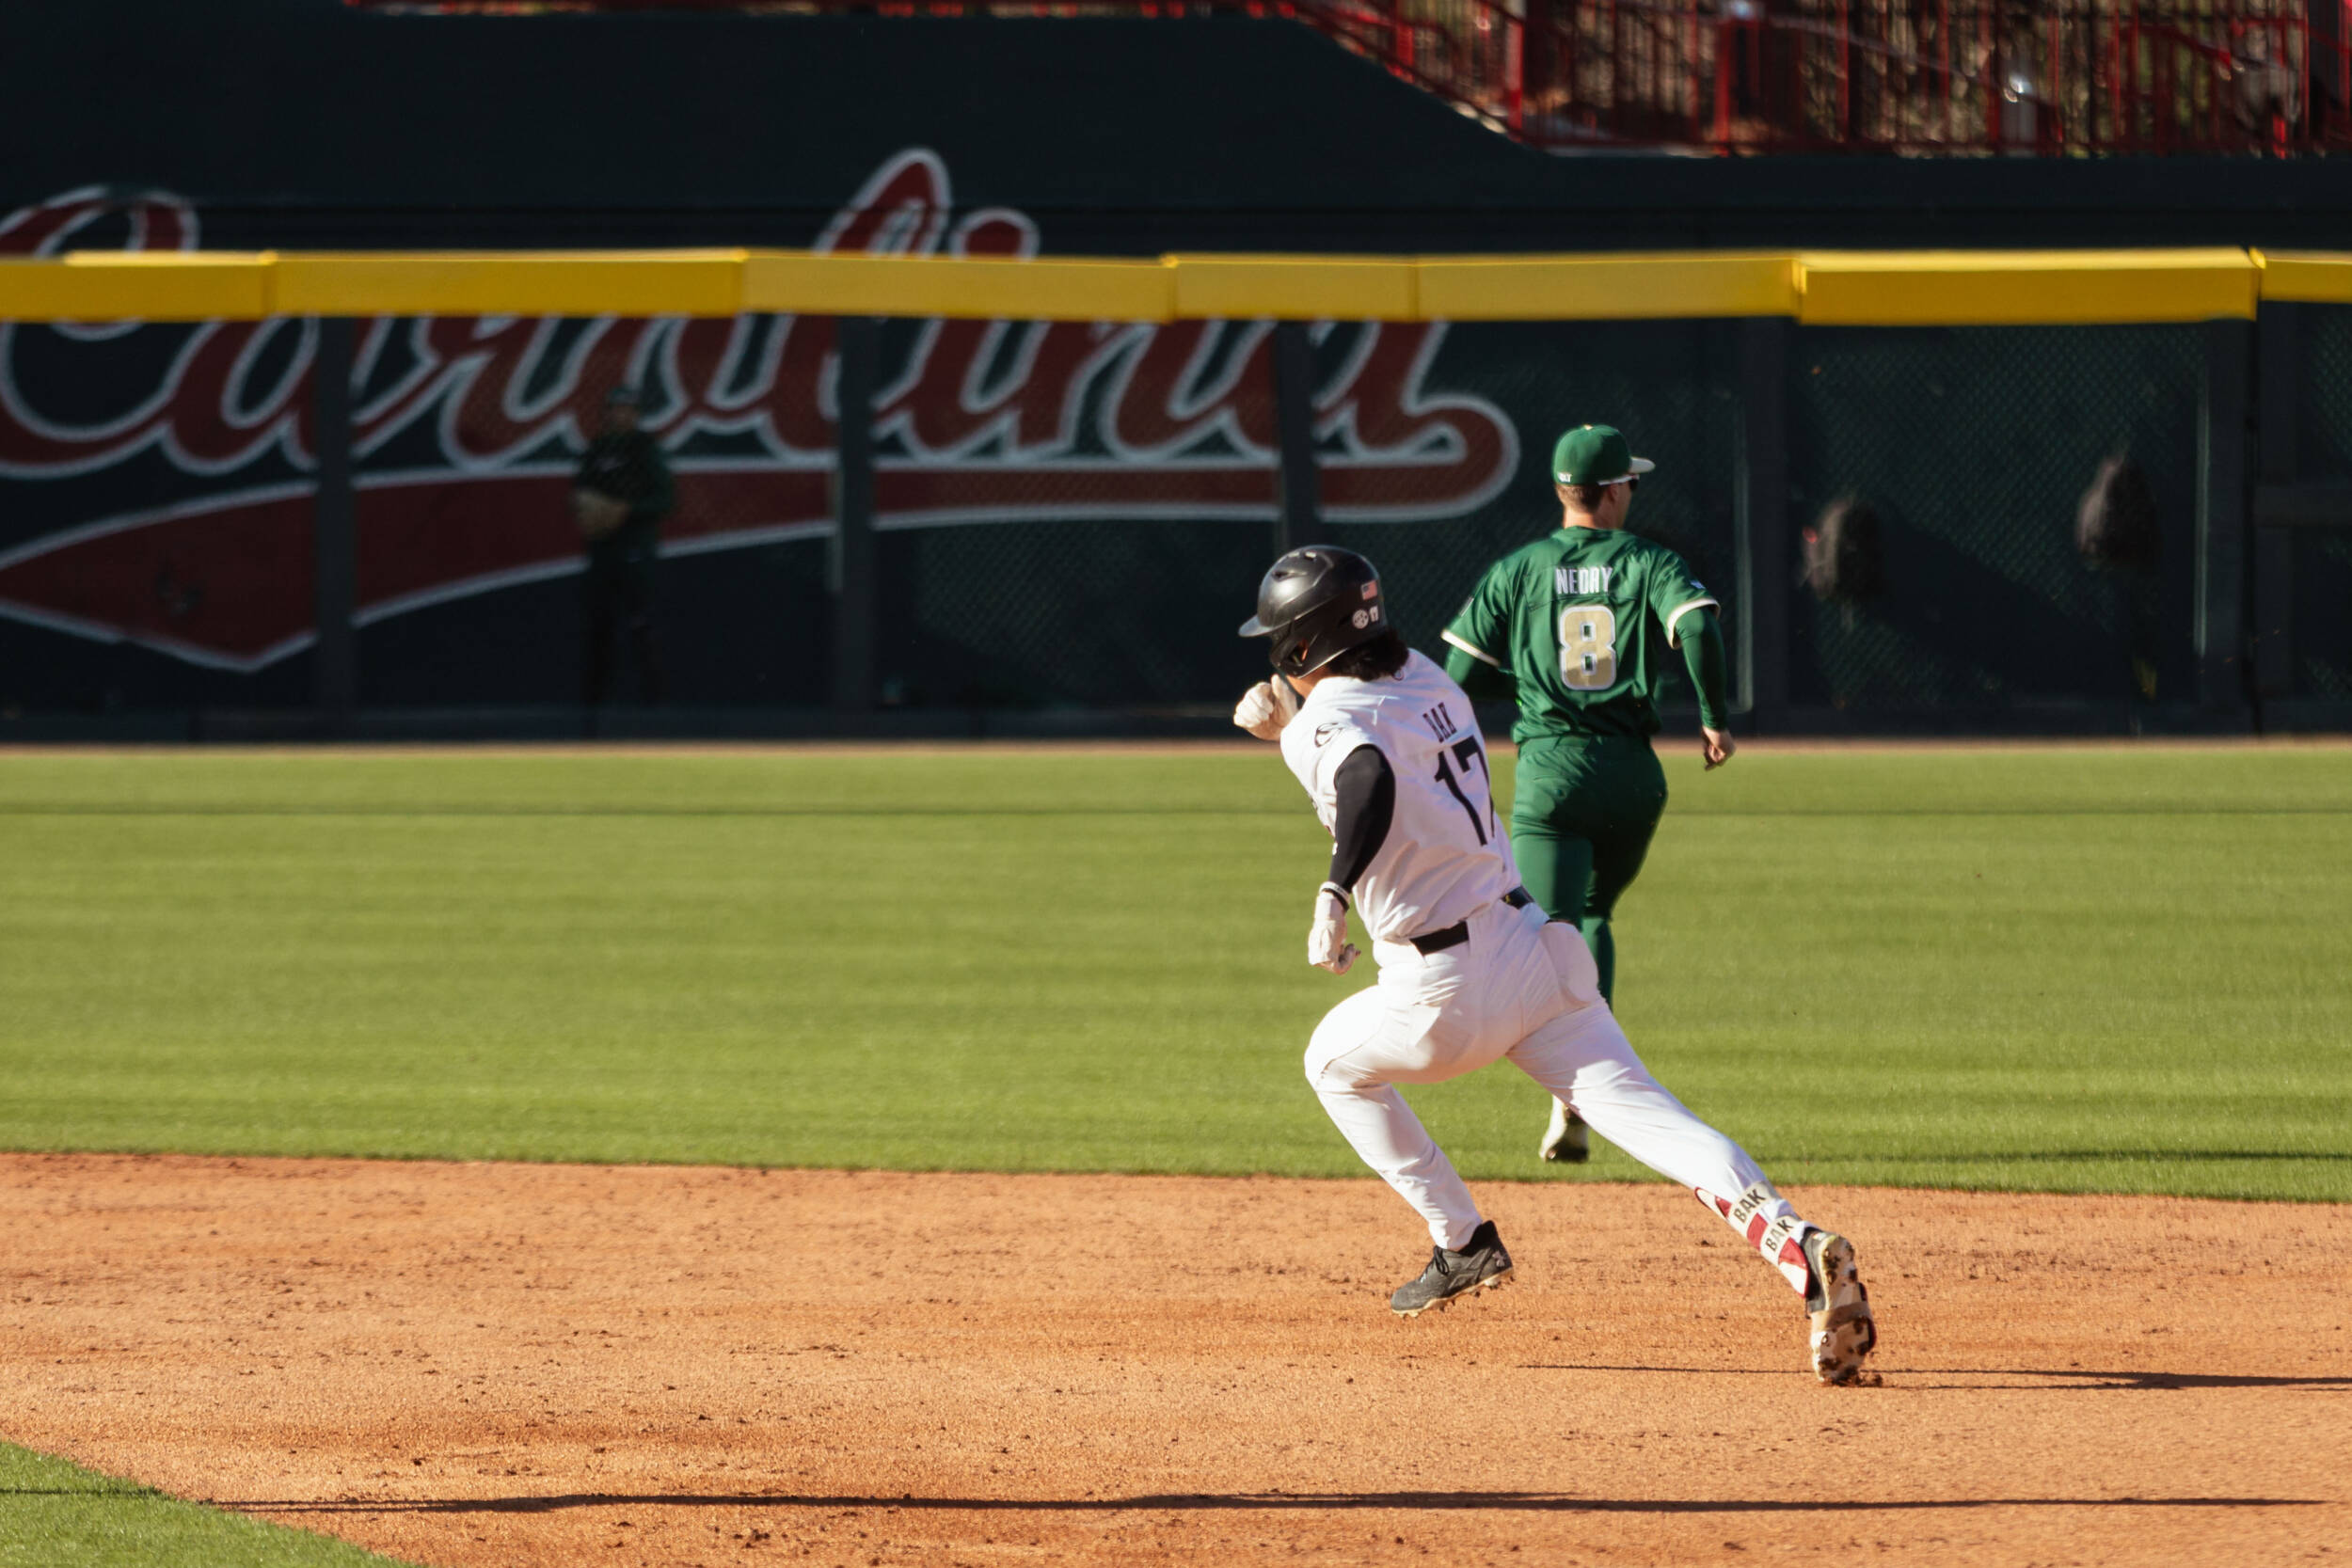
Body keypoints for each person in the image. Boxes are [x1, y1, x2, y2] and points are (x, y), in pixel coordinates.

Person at [1232, 545, 1874, 1385]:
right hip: (1536, 953)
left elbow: (1366, 774)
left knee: (1330, 1062)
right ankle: (1800, 1246)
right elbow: (1377, 739)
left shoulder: (1325, 727)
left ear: (1300, 650)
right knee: (1662, 1124)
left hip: (1442, 995)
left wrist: (1330, 886)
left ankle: (1461, 1240)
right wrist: (1293, 719)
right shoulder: (1426, 673)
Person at [1439, 424, 1734, 1166]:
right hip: (1632, 771)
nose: (1632, 492)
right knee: (1597, 914)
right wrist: (1713, 718)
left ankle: (1570, 1096)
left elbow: (1456, 675)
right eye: (1629, 483)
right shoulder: (1649, 562)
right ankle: (1591, 1089)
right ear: (1607, 493)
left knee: (1555, 925)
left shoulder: (1519, 570)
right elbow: (1697, 625)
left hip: (1548, 770)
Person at [572, 385, 674, 707]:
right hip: (603, 551)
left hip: (636, 550)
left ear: (637, 414)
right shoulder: (596, 450)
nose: (621, 414)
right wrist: (588, 509)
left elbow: (668, 499)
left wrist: (628, 509)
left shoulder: (645, 449)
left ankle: (654, 707)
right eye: (616, 408)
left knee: (641, 626)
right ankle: (593, 709)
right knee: (599, 628)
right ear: (607, 412)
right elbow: (578, 497)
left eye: (628, 409)